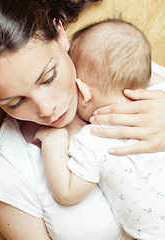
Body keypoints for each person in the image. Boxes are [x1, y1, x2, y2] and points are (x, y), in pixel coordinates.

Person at [0, 0, 165, 239]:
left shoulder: (116, 66)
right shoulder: (12, 175)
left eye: (48, 78)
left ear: (60, 35)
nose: (46, 109)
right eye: (15, 102)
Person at [36, 19, 165, 239]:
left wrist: (52, 141)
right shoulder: (159, 97)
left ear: (84, 93)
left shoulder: (94, 138)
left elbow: (67, 193)